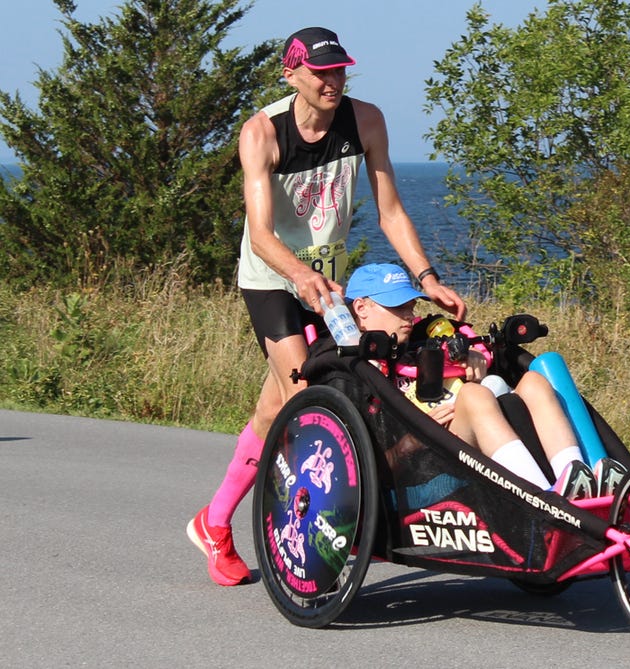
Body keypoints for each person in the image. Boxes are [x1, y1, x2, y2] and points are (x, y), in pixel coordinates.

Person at [187, 27, 465, 587]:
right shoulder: (261, 132)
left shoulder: (366, 121)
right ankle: (320, 534)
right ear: (291, 75)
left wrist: (426, 278)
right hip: (272, 278)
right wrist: (300, 274)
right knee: (308, 399)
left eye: (339, 70)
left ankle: (213, 522)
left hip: (326, 284)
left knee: (271, 413)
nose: (333, 80)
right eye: (320, 72)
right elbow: (262, 234)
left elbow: (390, 212)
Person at [344, 263, 600, 499]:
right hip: (423, 467)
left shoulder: (420, 342)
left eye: (410, 305)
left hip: (464, 443)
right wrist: (410, 441)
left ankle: (576, 481)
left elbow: (467, 345)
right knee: (473, 396)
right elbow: (361, 472)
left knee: (534, 381)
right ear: (361, 308)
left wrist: (474, 355)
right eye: (397, 306)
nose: (408, 315)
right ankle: (540, 498)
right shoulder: (353, 372)